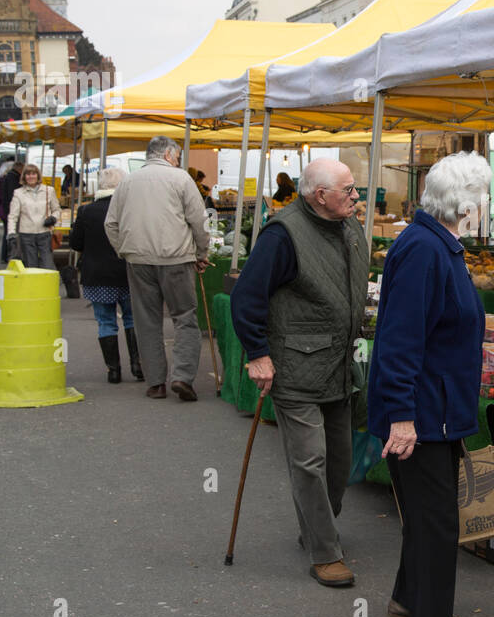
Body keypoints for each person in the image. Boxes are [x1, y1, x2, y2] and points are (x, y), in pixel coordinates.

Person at [368, 151, 488, 617]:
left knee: (424, 516)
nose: (485, 206)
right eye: (482, 197)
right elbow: (400, 341)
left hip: (435, 406)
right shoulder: (425, 249)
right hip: (423, 412)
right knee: (438, 520)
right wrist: (401, 417)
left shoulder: (436, 244)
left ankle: (408, 599)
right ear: (464, 203)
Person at [230, 157, 369, 589]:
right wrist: (257, 354)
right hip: (295, 366)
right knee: (310, 460)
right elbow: (246, 297)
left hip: (338, 364)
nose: (356, 196)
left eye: (354, 189)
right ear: (319, 195)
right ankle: (326, 552)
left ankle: (316, 525)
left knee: (340, 461)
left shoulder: (349, 227)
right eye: (348, 190)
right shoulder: (282, 235)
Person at [104, 136, 211, 402]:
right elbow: (199, 220)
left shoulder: (127, 181)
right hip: (175, 258)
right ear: (167, 155)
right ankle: (182, 377)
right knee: (185, 317)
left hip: (139, 260)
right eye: (176, 156)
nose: (177, 160)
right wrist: (201, 252)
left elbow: (111, 224)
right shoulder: (181, 179)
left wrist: (124, 251)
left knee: (147, 321)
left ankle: (155, 383)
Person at [71, 167, 142, 384]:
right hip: (128, 272)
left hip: (97, 275)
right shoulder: (130, 209)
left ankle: (113, 370)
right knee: (132, 319)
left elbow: (76, 244)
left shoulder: (86, 211)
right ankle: (137, 367)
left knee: (105, 322)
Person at [7, 164, 61, 268]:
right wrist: (11, 233)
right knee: (31, 266)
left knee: (48, 265)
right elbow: (13, 216)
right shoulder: (18, 193)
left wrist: (53, 218)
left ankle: (48, 284)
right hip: (26, 234)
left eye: (33, 174)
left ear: (38, 176)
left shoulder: (48, 191)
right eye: (28, 174)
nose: (31, 176)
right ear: (24, 177)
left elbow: (57, 209)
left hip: (44, 232)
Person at [0, 161, 23, 263]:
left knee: (7, 233)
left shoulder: (7, 178)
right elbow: (11, 196)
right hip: (8, 210)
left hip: (4, 209)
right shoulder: (13, 179)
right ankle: (7, 255)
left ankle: (5, 255)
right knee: (10, 233)